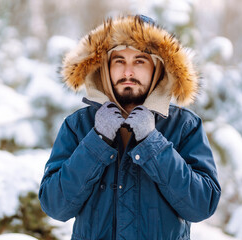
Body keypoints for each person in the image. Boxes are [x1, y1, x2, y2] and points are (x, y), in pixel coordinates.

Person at [39, 15, 221, 240]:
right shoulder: (78, 125)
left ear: (158, 67)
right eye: (119, 61)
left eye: (139, 61)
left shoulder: (184, 126)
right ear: (104, 67)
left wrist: (152, 143)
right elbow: (55, 205)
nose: (128, 72)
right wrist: (97, 141)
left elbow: (201, 205)